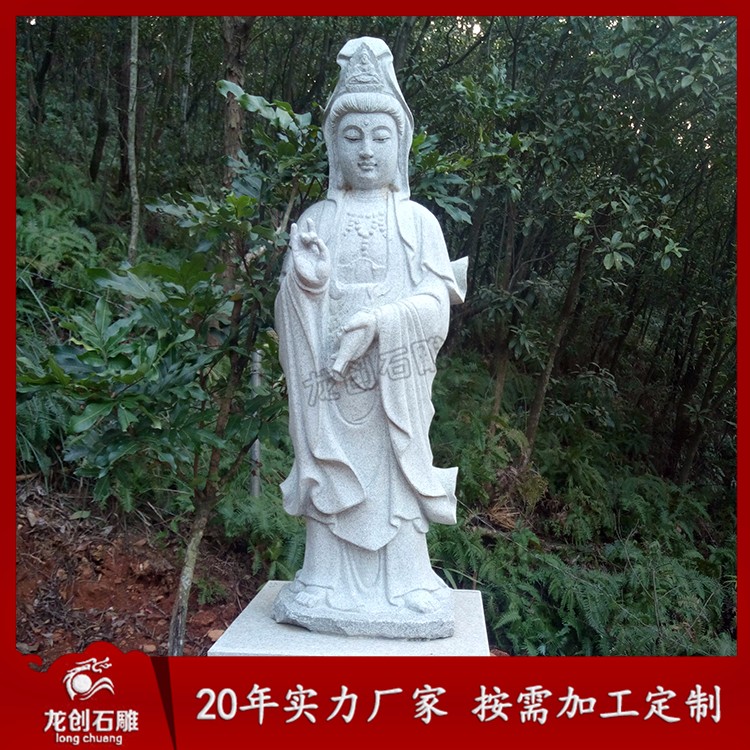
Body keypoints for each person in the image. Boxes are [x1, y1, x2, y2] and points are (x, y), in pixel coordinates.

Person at [272, 37, 467, 638]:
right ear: (334, 146)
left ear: (400, 147)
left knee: (398, 480)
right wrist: (306, 284)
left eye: (380, 137)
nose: (365, 149)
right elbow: (290, 308)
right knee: (329, 470)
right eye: (352, 136)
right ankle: (322, 578)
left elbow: (435, 304)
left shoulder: (418, 222)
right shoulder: (317, 219)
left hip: (393, 384)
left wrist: (383, 322)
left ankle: (407, 582)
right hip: (331, 382)